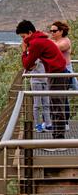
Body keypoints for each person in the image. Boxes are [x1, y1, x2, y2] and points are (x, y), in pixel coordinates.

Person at [16, 20, 68, 151]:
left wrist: (24, 51)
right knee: (54, 106)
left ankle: (59, 143)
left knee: (57, 107)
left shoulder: (36, 43)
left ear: (30, 33)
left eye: (23, 37)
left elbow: (27, 64)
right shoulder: (40, 39)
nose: (23, 40)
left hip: (57, 75)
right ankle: (57, 141)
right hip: (55, 73)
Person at [50, 21, 77, 131]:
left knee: (64, 97)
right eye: (51, 31)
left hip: (66, 71)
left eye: (54, 31)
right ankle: (60, 122)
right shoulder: (54, 41)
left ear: (61, 31)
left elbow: (55, 49)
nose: (52, 33)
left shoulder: (65, 41)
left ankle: (65, 122)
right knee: (60, 97)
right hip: (57, 71)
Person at [28, 59, 52, 133]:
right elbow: (28, 66)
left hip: (45, 80)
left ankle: (48, 124)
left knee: (46, 104)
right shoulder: (33, 52)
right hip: (36, 81)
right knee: (37, 105)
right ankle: (38, 125)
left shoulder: (45, 53)